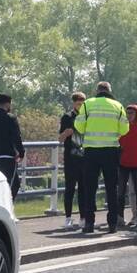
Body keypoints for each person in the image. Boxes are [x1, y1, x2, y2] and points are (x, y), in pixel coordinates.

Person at [74, 82, 130, 234]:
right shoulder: (117, 106)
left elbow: (79, 127)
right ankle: (112, 223)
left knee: (89, 188)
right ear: (109, 91)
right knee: (111, 188)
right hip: (111, 151)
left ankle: (89, 223)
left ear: (97, 91)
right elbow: (125, 129)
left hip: (91, 151)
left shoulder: (87, 104)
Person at [58, 92, 87, 230]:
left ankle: (83, 217)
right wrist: (66, 133)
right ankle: (68, 217)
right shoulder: (67, 117)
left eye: (82, 103)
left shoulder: (87, 117)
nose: (80, 105)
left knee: (83, 189)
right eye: (78, 103)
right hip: (71, 158)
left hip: (84, 158)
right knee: (69, 188)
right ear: (73, 103)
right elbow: (60, 138)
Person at [117, 104, 137, 229]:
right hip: (123, 163)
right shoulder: (121, 129)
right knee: (121, 192)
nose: (129, 115)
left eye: (131, 113)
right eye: (127, 112)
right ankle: (120, 217)